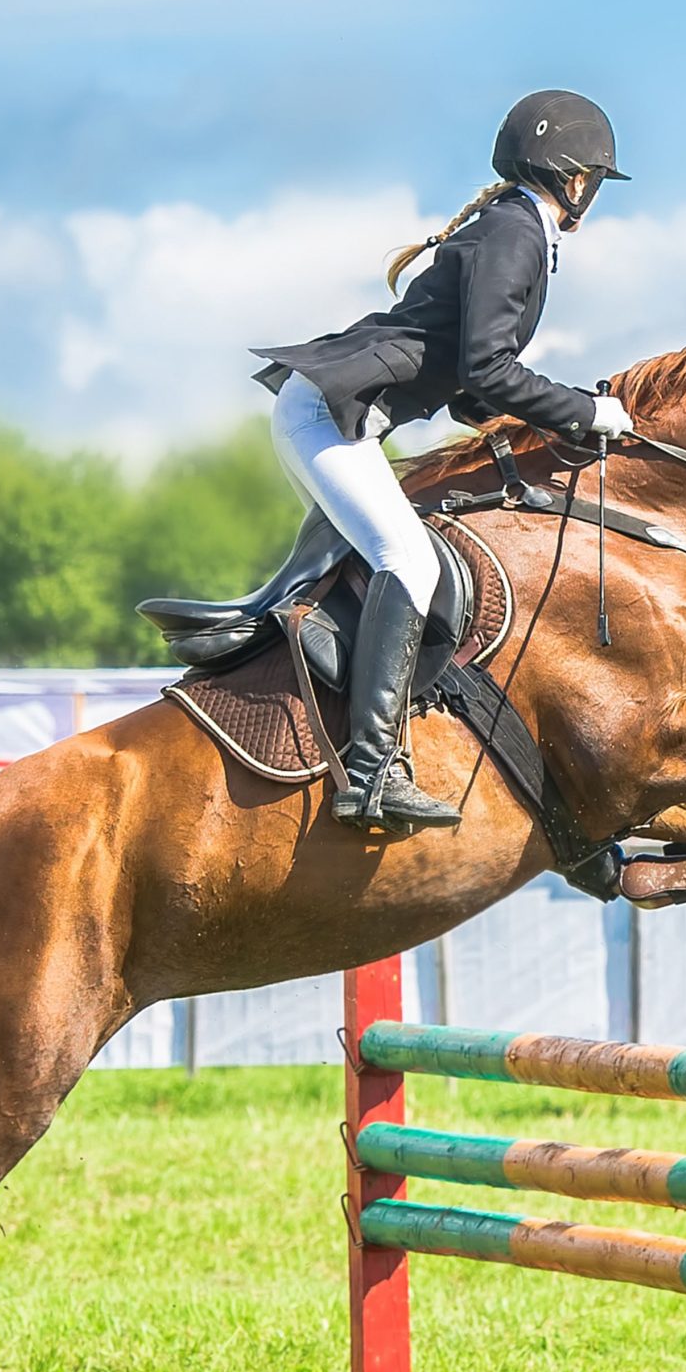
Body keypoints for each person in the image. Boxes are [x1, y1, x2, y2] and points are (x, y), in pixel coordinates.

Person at [246, 91, 631, 833]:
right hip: (328, 413)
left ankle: (339, 719)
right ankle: (369, 775)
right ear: (574, 177)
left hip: (328, 411)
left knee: (384, 563)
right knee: (411, 562)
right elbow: (488, 370)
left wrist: (555, 423)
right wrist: (586, 411)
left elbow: (469, 393)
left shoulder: (516, 229)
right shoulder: (516, 231)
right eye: (592, 184)